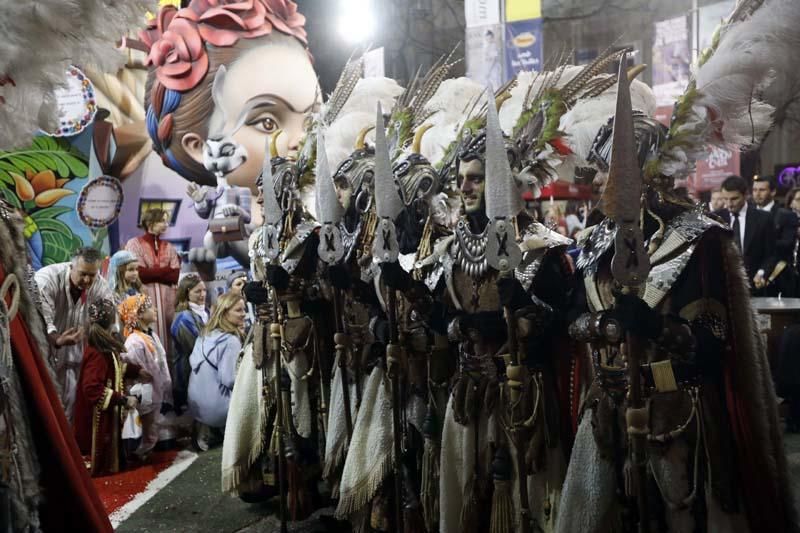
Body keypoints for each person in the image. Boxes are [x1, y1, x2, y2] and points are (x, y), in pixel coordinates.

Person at [35, 246, 114, 423]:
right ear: (71, 266)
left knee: (72, 412)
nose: (87, 280)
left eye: (92, 275)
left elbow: (108, 318)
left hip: (77, 360)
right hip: (44, 356)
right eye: (83, 273)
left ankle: (68, 449)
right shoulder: (47, 280)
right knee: (44, 412)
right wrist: (57, 339)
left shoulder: (100, 286)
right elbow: (40, 319)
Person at [73, 299, 150, 476]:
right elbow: (92, 388)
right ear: (112, 319)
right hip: (97, 420)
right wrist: (122, 399)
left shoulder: (104, 346)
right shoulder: (98, 352)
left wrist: (135, 371)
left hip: (107, 416)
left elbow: (113, 368)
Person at [118, 294, 173, 460]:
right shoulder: (134, 342)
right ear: (139, 314)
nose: (155, 309)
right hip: (146, 394)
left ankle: (145, 451)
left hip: (155, 390)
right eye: (150, 307)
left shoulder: (150, 335)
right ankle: (138, 454)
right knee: (147, 426)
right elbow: (139, 371)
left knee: (152, 426)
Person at [187, 291, 245, 451]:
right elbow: (230, 380)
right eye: (239, 310)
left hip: (196, 407)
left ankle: (209, 429)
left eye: (244, 309)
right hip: (218, 409)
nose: (244, 314)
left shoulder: (205, 335)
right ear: (225, 313)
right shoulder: (231, 340)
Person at [125, 208, 180, 357]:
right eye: (162, 220)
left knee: (170, 343)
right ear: (150, 222)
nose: (166, 224)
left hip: (168, 303)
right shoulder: (134, 243)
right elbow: (139, 273)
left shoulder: (169, 246)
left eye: (166, 221)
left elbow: (175, 276)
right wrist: (165, 270)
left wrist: (153, 273)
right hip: (145, 301)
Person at [716, 175, 776, 290]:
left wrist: (762, 272)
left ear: (746, 195)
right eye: (725, 199)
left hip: (755, 284)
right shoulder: (716, 217)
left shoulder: (764, 219)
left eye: (734, 199)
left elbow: (771, 254)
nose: (729, 204)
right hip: (723, 286)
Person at [753, 175, 799, 295]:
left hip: (778, 277)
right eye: (754, 190)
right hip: (752, 275)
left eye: (762, 190)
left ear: (773, 192)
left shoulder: (786, 215)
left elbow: (788, 244)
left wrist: (762, 243)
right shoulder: (748, 215)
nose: (757, 194)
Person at [170, 274, 208, 414]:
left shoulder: (203, 312)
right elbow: (197, 348)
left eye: (204, 290)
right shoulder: (184, 318)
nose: (202, 294)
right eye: (198, 291)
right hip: (187, 378)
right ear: (187, 293)